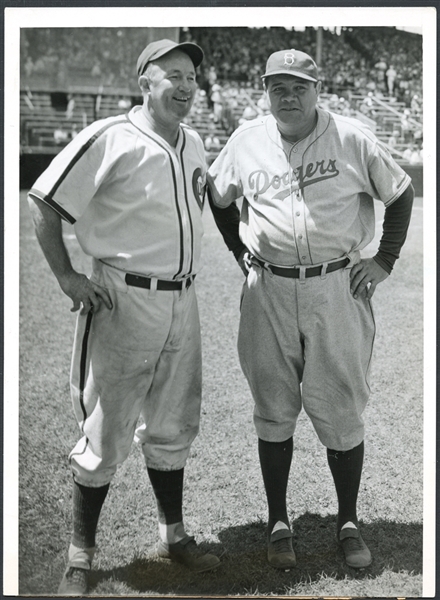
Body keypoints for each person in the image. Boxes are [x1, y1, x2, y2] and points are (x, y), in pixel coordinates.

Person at [207, 48, 414, 571]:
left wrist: (384, 259)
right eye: (279, 87)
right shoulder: (246, 140)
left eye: (299, 86)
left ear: (317, 87)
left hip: (336, 288)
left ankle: (347, 520)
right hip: (269, 292)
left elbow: (401, 191)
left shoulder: (350, 137)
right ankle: (279, 521)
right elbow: (219, 195)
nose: (288, 96)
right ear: (265, 90)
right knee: (273, 407)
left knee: (341, 407)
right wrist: (238, 251)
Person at [27, 38, 220, 596]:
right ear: (145, 82)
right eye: (173, 75)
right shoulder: (111, 136)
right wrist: (68, 277)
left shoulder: (194, 144)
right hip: (123, 297)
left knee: (172, 425)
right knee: (105, 431)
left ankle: (172, 536)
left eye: (191, 77)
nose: (185, 86)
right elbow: (45, 200)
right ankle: (80, 555)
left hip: (183, 300)